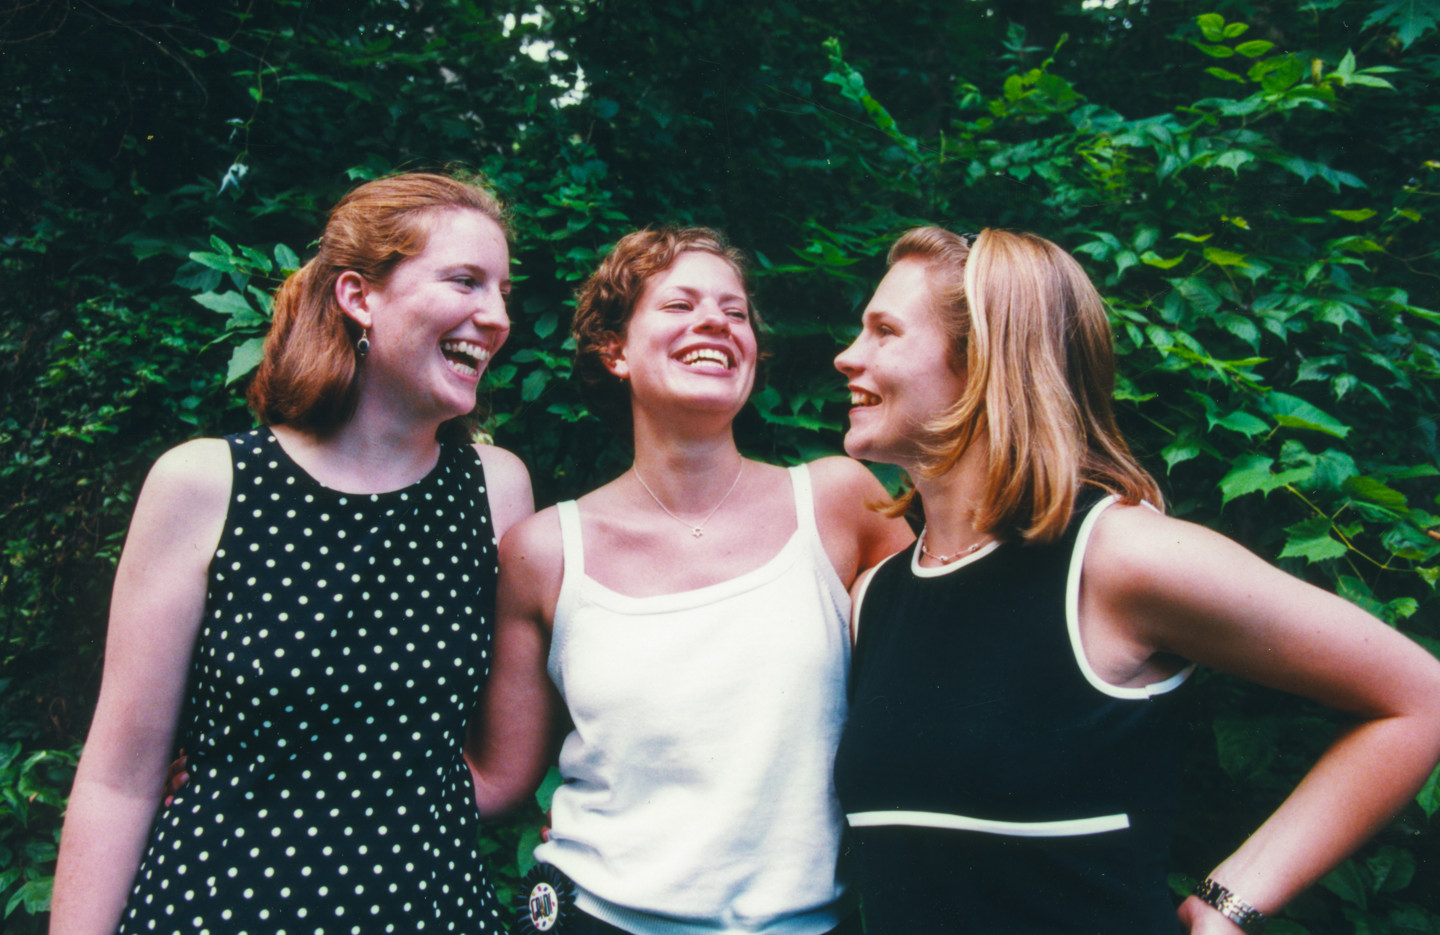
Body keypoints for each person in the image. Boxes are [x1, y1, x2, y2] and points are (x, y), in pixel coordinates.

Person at [830, 226, 1440, 934]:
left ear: (986, 359)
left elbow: (1418, 698)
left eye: (884, 331)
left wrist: (1231, 902)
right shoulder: (875, 597)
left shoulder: (1117, 556)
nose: (849, 356)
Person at [50, 172, 534, 935]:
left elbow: (503, 770)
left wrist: (376, 814)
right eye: (466, 281)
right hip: (217, 909)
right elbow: (118, 777)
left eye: (504, 290)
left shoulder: (497, 489)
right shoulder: (205, 482)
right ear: (359, 296)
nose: (497, 316)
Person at [465, 227, 914, 935]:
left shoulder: (840, 503)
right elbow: (496, 778)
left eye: (734, 312)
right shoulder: (547, 551)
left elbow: (944, 681)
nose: (715, 321)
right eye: (680, 304)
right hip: (596, 917)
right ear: (615, 349)